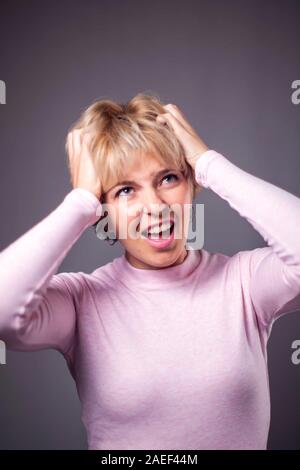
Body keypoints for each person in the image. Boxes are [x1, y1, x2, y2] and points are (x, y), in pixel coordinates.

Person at [0, 93, 299, 450]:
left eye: (169, 178)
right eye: (126, 190)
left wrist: (208, 163)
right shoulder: (81, 301)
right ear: (103, 207)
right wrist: (78, 203)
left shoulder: (244, 283)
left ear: (190, 184)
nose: (155, 207)